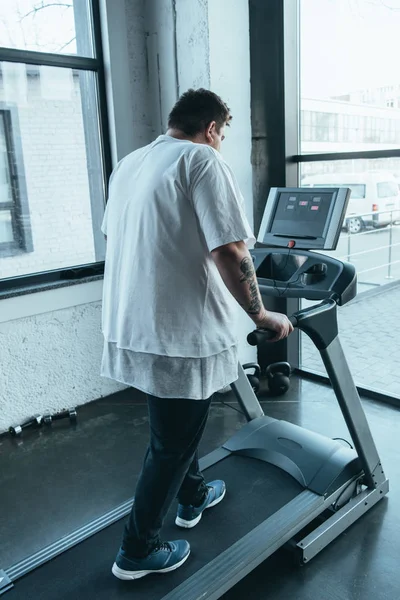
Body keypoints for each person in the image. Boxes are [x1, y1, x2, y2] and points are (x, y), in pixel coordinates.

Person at [100, 88, 293, 581]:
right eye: (223, 134)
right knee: (171, 441)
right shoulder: (202, 162)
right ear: (211, 129)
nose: (221, 142)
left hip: (131, 325)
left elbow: (130, 236)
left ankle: (192, 496)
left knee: (172, 427)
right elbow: (231, 252)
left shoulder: (131, 163)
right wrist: (262, 317)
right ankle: (137, 550)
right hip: (179, 334)